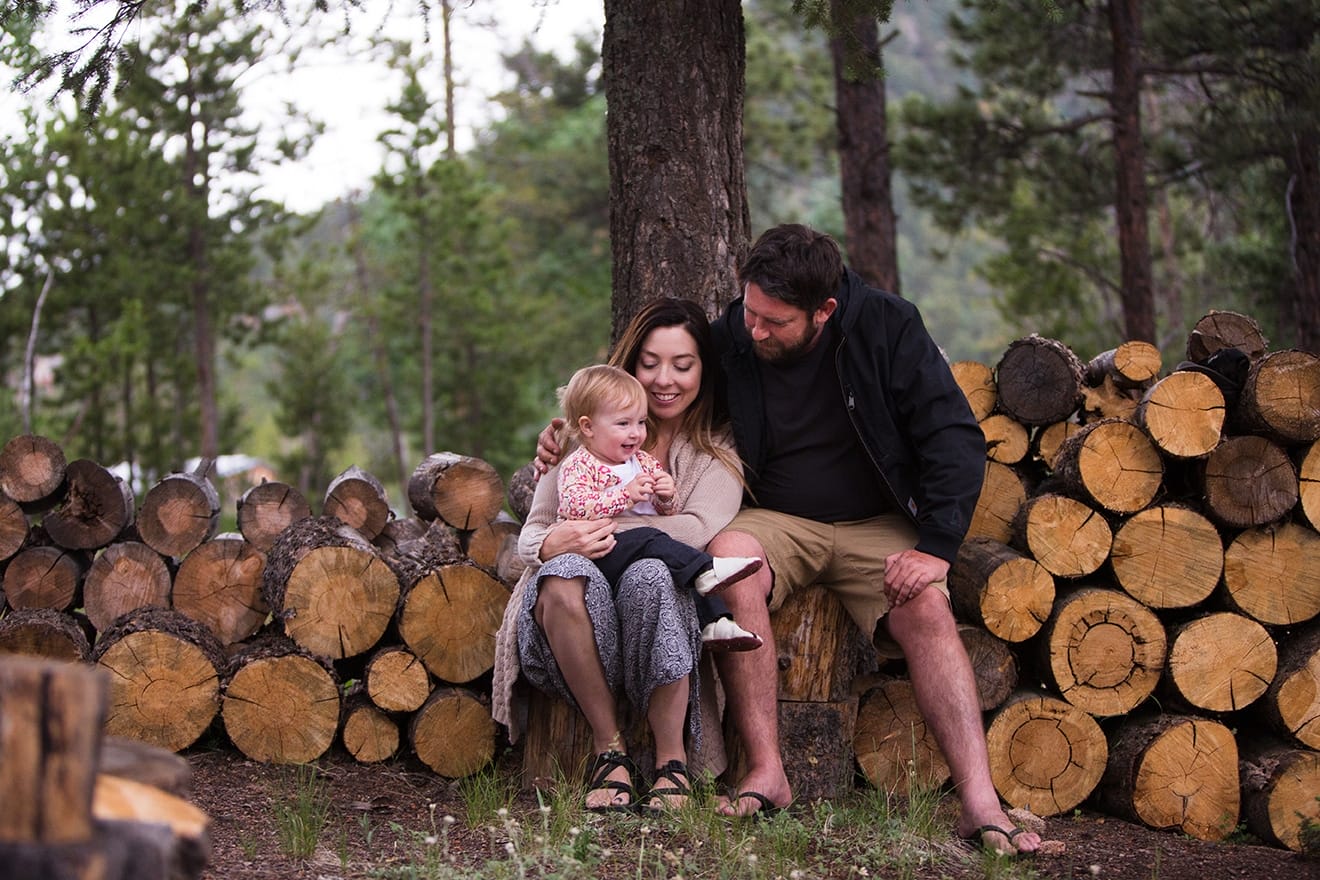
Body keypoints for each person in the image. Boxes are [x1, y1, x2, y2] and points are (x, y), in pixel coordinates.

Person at [701, 223, 1042, 854]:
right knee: (729, 563)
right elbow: (656, 381)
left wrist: (936, 546)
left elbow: (952, 436)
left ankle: (980, 804)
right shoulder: (734, 332)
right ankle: (766, 772)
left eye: (774, 322)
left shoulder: (888, 325)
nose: (754, 330)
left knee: (928, 607)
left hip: (877, 524)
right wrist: (573, 428)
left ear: (824, 310)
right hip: (779, 518)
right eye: (749, 311)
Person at [492, 297, 748, 814]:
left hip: (653, 601)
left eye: (683, 364)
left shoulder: (717, 451)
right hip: (574, 608)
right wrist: (552, 542)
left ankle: (671, 761)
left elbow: (695, 530)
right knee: (563, 573)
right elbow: (534, 532)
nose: (664, 380)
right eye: (650, 363)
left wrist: (592, 526)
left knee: (654, 570)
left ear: (705, 369)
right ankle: (608, 748)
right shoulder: (580, 437)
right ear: (630, 362)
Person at [553, 363, 763, 650]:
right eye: (623, 424)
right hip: (600, 553)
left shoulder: (641, 461)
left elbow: (667, 511)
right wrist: (625, 496)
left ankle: (717, 623)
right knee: (657, 542)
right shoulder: (580, 464)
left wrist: (666, 495)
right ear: (588, 426)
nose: (636, 433)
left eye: (640, 422)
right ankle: (708, 573)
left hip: (645, 550)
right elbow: (575, 507)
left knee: (684, 567)